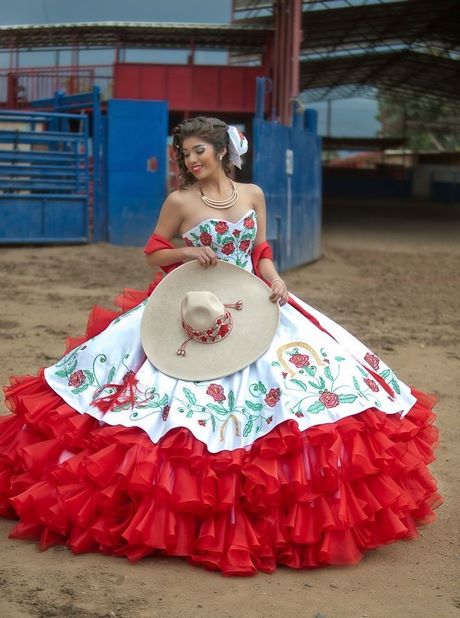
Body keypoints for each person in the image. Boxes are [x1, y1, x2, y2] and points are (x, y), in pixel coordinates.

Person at [0, 116, 442, 576]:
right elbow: (153, 251)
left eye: (198, 151)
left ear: (222, 151)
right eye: (184, 154)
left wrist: (274, 279)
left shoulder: (252, 194)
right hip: (194, 304)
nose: (191, 161)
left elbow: (262, 251)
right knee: (144, 399)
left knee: (304, 390)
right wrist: (187, 253)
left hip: (255, 301)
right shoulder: (179, 201)